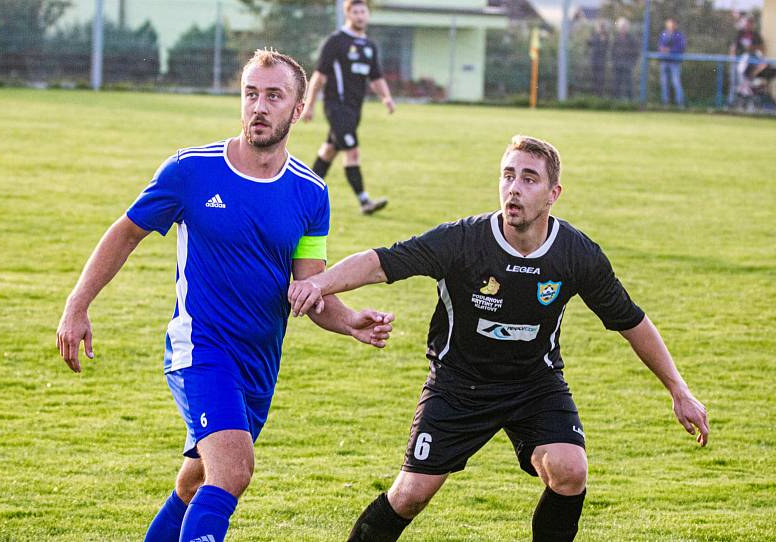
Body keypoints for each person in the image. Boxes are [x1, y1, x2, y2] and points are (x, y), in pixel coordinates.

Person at [288, 135, 709, 542]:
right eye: (508, 176)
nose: (514, 188)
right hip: (458, 384)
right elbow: (381, 263)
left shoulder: (576, 254)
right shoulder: (464, 240)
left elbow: (629, 321)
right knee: (411, 494)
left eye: (529, 179)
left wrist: (679, 389)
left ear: (553, 193)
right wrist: (320, 284)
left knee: (569, 470)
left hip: (534, 383)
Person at [55, 49, 394, 542]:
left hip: (258, 363)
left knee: (195, 484)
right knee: (233, 469)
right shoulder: (190, 171)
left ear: (298, 109)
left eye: (273, 96)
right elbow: (125, 233)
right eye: (250, 93)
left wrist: (348, 320)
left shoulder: (311, 192)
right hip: (200, 348)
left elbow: (308, 284)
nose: (258, 106)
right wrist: (76, 306)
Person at [304, 0, 395, 215]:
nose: (360, 16)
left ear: (368, 15)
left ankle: (300, 194)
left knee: (328, 152)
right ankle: (365, 201)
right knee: (352, 152)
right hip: (336, 106)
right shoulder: (336, 42)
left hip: (354, 110)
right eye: (356, 12)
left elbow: (376, 77)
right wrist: (309, 104)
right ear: (348, 15)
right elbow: (319, 76)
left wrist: (387, 98)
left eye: (363, 12)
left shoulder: (370, 47)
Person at [658, 18, 686, 107]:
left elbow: (681, 48)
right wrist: (662, 49)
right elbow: (660, 45)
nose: (670, 26)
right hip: (664, 61)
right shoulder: (664, 34)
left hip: (674, 62)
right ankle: (665, 102)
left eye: (672, 24)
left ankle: (679, 102)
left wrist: (670, 50)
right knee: (664, 82)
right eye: (669, 24)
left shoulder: (679, 35)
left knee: (676, 82)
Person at [610, 18, 638, 100]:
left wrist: (632, 62)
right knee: (616, 83)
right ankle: (616, 101)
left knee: (628, 84)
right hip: (617, 64)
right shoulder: (616, 38)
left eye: (624, 27)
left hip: (628, 65)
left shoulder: (631, 39)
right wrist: (614, 61)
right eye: (621, 27)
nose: (623, 28)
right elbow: (612, 51)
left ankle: (631, 101)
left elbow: (635, 52)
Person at [587, 22, 609, 96]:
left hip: (601, 62)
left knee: (601, 79)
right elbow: (588, 42)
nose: (600, 29)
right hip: (594, 62)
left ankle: (600, 94)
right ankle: (594, 94)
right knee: (594, 79)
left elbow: (605, 48)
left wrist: (603, 40)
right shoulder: (594, 36)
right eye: (599, 27)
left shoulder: (605, 37)